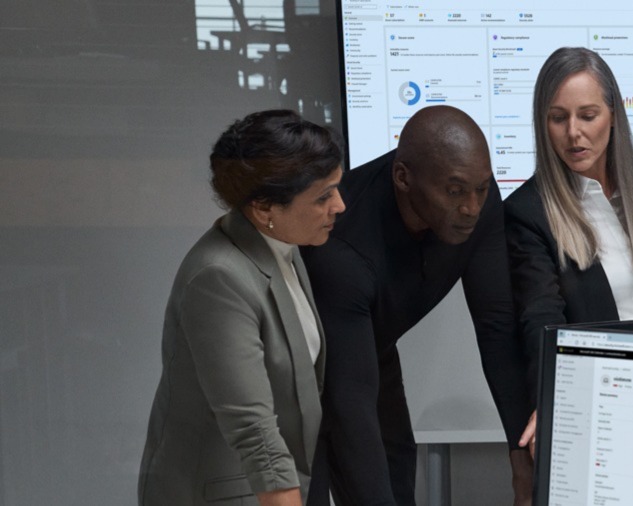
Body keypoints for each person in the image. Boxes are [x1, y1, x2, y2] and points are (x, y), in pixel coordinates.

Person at [302, 105, 533, 505]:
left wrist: (519, 457)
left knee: (396, 475)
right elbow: (351, 407)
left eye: (481, 188)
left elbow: (496, 326)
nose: (471, 209)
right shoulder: (342, 246)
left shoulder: (479, 202)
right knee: (314, 488)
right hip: (306, 369)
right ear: (404, 178)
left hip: (373, 343)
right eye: (456, 191)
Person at [138, 109, 346, 506]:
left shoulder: (282, 244)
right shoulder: (219, 278)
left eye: (337, 188)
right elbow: (253, 427)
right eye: (324, 196)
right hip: (221, 492)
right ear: (264, 209)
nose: (340, 205)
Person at [504, 47, 633, 453]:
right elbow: (541, 317)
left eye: (587, 116)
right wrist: (550, 399)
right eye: (558, 118)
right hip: (601, 398)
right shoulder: (527, 211)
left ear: (613, 115)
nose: (574, 133)